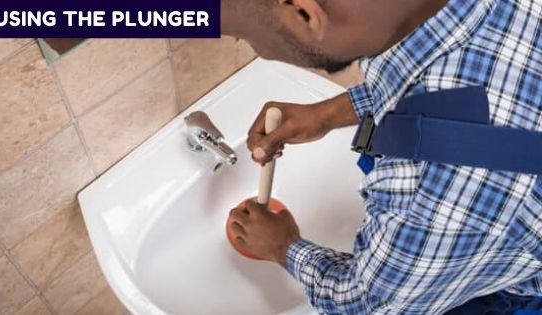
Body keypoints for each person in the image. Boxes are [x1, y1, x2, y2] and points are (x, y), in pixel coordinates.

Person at [223, 0, 542, 314]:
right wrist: (327, 115)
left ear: (304, 12)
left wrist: (284, 246)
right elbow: (461, 72)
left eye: (243, 36)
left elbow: (369, 303)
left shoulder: (426, 197)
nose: (248, 42)